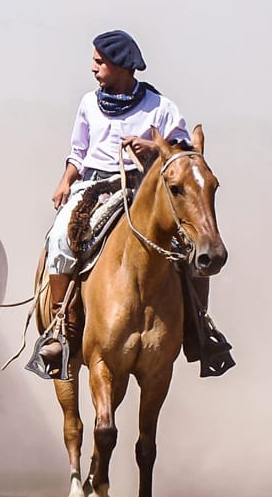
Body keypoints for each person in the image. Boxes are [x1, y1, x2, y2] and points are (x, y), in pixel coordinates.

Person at [32, 29, 233, 378]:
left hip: (145, 189)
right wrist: (66, 180)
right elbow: (78, 152)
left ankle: (200, 330)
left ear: (121, 66)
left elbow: (185, 155)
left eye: (99, 62)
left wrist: (152, 148)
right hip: (94, 187)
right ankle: (61, 330)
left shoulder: (162, 107)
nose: (93, 69)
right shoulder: (88, 104)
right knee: (61, 238)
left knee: (190, 248)